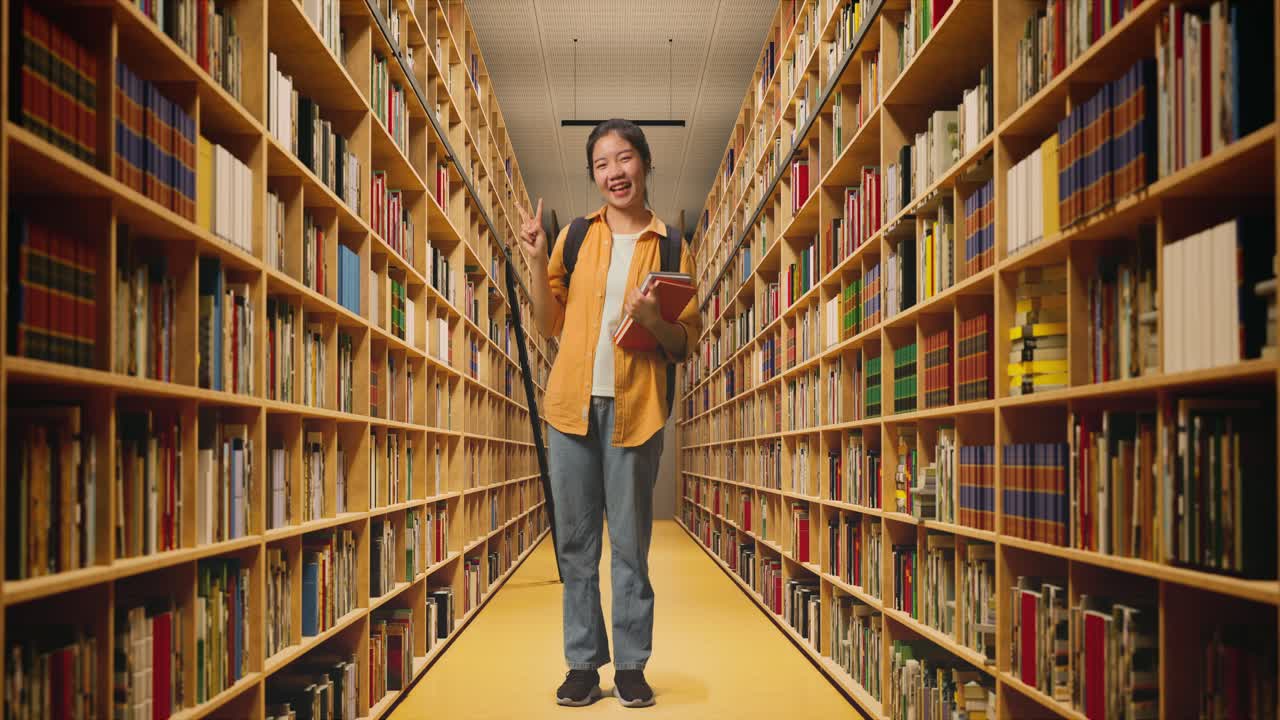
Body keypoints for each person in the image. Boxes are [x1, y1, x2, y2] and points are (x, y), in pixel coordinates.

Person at [515, 118, 701, 708]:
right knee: (574, 546)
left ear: (644, 162)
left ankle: (632, 666)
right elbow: (547, 324)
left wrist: (652, 321)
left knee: (629, 547)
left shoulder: (672, 246)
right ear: (593, 175)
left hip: (637, 409)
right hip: (570, 409)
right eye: (601, 163)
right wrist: (536, 260)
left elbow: (684, 344)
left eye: (624, 158)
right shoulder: (574, 237)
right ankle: (581, 663)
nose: (614, 172)